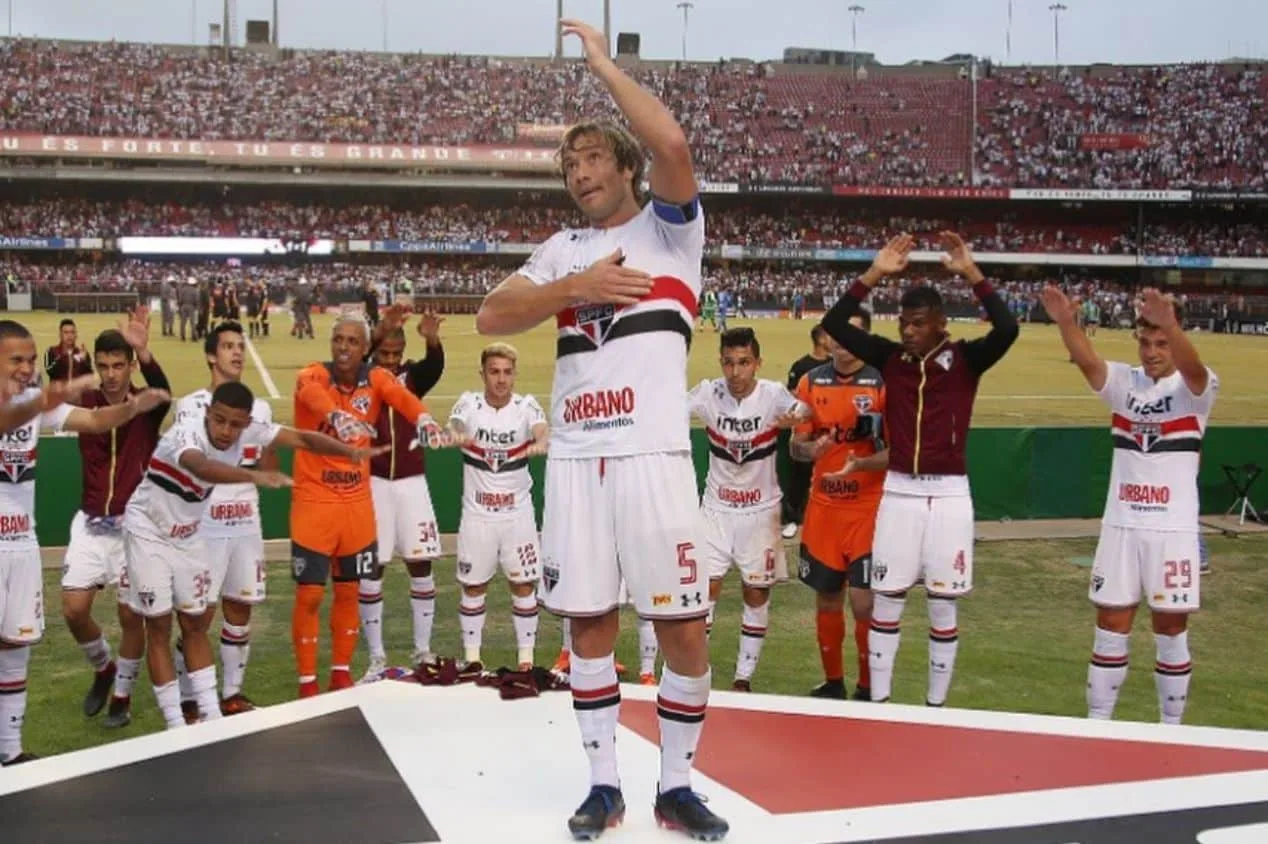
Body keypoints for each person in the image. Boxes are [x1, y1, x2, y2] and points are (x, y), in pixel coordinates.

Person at [475, 19, 727, 840]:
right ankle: (604, 784)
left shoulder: (670, 231)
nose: (579, 173)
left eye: (592, 160)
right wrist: (572, 285)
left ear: (626, 167)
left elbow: (676, 140)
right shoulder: (560, 249)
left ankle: (678, 785)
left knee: (682, 627)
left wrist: (601, 68)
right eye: (568, 165)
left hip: (653, 457)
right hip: (579, 462)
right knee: (588, 623)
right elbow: (491, 315)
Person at [819, 232, 1019, 707]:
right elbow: (833, 324)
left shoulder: (967, 359)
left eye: (919, 324)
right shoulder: (892, 360)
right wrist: (873, 274)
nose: (909, 332)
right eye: (905, 323)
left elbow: (1008, 330)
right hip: (899, 494)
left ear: (941, 325)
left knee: (942, 603)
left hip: (950, 495)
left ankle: (936, 708)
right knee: (887, 598)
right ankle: (880, 704)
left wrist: (973, 274)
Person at [122, 381, 384, 729]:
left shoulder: (247, 430)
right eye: (219, 420)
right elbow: (201, 468)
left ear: (246, 423)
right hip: (147, 531)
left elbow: (303, 439)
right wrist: (255, 476)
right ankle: (175, 724)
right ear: (207, 413)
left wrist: (350, 451)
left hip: (187, 535)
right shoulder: (186, 434)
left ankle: (212, 717)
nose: (226, 431)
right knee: (158, 623)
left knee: (195, 622)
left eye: (235, 424)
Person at [1042, 286, 1216, 725]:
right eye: (1145, 341)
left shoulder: (1197, 388)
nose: (1153, 352)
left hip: (1172, 530)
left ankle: (1171, 729)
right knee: (1110, 628)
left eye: (1162, 342)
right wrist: (1066, 322)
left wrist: (1170, 324)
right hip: (1121, 525)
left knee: (1171, 631)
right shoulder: (1124, 383)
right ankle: (1098, 725)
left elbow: (1193, 366)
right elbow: (1088, 362)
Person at [0, 319, 169, 765]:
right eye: (16, 359)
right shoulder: (31, 403)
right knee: (70, 612)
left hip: (26, 541)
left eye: (31, 360)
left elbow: (94, 419)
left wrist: (133, 408)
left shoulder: (39, 403)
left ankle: (11, 750)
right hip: (88, 523)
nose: (26, 367)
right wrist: (46, 397)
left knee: (16, 644)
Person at [290, 312, 445, 698]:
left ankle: (344, 672)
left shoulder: (379, 379)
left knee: (355, 584)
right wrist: (335, 415)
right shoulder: (313, 374)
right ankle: (319, 678)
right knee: (315, 591)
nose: (343, 347)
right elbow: (310, 394)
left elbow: (402, 397)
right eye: (338, 339)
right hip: (326, 499)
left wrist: (424, 418)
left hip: (368, 498)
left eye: (352, 341)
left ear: (365, 348)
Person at [61, 308, 171, 731]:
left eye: (118, 365)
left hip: (135, 527)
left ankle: (121, 696)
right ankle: (103, 668)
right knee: (73, 610)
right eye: (104, 366)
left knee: (131, 617)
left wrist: (145, 352)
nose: (110, 375)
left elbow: (163, 389)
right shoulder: (83, 405)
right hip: (90, 521)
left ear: (128, 365)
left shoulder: (145, 405)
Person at [689, 327, 806, 692]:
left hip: (761, 513)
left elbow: (806, 412)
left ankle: (743, 678)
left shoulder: (773, 395)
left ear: (757, 363)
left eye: (743, 363)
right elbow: (666, 412)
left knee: (756, 594)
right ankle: (696, 674)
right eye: (728, 363)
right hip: (716, 510)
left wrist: (799, 420)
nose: (735, 372)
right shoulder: (708, 393)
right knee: (702, 593)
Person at [169, 321, 274, 720]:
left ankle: (231, 693)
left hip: (246, 523)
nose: (237, 354)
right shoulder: (191, 405)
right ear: (211, 355)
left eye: (240, 347)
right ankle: (190, 695)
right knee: (198, 614)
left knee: (240, 609)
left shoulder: (260, 409)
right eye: (228, 346)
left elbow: (267, 457)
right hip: (205, 527)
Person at [790, 314, 887, 701]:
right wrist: (811, 449)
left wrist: (868, 454)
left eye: (853, 333)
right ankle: (834, 681)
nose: (842, 341)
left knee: (863, 600)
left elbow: (897, 453)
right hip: (824, 508)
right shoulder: (810, 382)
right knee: (827, 596)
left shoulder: (881, 382)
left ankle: (868, 686)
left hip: (867, 508)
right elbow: (797, 446)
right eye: (835, 334)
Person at [446, 343, 548, 672]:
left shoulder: (527, 407)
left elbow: (541, 432)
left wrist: (541, 443)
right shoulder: (469, 404)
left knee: (523, 585)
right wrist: (457, 435)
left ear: (514, 375)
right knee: (473, 586)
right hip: (478, 515)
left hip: (517, 515)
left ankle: (526, 660)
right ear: (483, 374)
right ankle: (473, 659)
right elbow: (456, 425)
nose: (501, 379)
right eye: (494, 372)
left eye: (507, 372)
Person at [359, 307, 447, 681]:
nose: (391, 361)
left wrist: (432, 337)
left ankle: (422, 650)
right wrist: (383, 330)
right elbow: (361, 352)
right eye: (385, 355)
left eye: (397, 355)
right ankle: (376, 658)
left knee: (420, 562)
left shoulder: (414, 378)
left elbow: (435, 365)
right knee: (372, 567)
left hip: (412, 482)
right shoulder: (363, 378)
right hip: (374, 483)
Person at [780, 324, 832, 539]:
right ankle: (793, 519)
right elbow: (792, 394)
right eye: (830, 336)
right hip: (806, 429)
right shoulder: (802, 365)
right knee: (799, 476)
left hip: (830, 431)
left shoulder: (837, 365)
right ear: (820, 339)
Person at [43, 318, 93, 384]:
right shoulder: (51, 351)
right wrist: (63, 356)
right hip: (59, 393)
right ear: (60, 335)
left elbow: (89, 375)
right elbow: (49, 371)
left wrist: (83, 361)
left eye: (72, 332)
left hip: (77, 393)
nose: (69, 335)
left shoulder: (82, 353)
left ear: (76, 335)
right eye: (66, 332)